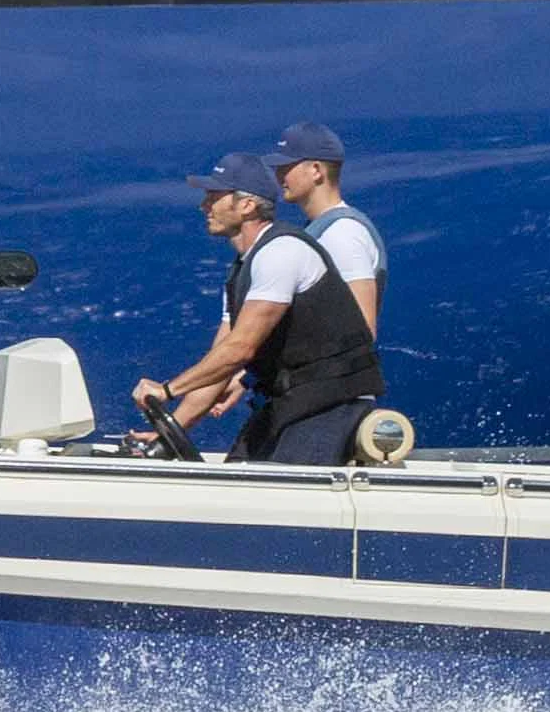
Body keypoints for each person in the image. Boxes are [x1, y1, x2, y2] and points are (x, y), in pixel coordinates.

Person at [135, 152, 386, 463]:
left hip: (330, 405)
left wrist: (167, 390)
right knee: (236, 480)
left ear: (247, 205)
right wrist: (173, 428)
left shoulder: (282, 252)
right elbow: (221, 360)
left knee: (279, 490)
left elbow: (240, 350)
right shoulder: (244, 270)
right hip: (289, 404)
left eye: (214, 197)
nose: (204, 206)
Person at [270, 122, 385, 337]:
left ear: (316, 170)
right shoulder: (323, 230)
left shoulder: (342, 234)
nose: (278, 175)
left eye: (286, 166)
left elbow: (362, 330)